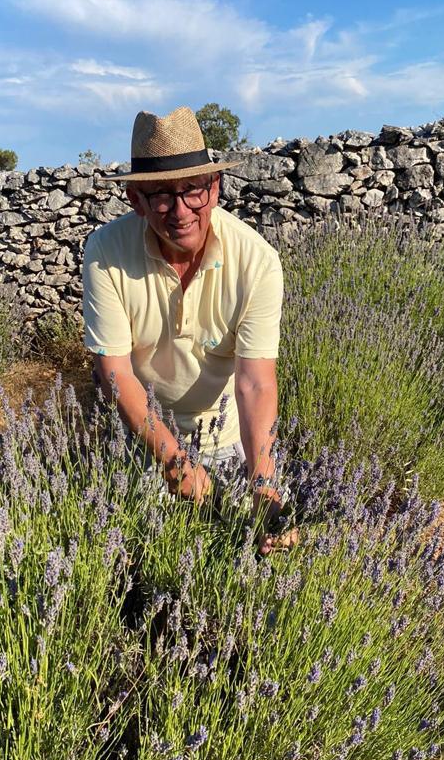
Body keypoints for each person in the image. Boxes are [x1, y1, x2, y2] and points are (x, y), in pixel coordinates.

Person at [82, 105, 297, 554]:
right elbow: (115, 374)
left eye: (192, 191)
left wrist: (263, 479)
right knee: (129, 555)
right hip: (141, 436)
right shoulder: (104, 251)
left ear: (214, 189)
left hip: (225, 438)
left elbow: (256, 382)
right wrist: (171, 458)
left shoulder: (256, 261)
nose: (180, 211)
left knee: (272, 545)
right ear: (135, 201)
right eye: (161, 194)